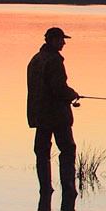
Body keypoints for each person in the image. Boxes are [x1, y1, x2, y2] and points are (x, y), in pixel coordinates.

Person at [27, 26, 80, 193]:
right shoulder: (54, 61)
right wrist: (72, 94)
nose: (64, 43)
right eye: (61, 39)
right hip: (57, 116)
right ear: (52, 40)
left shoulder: (36, 59)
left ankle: (45, 189)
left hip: (40, 115)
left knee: (42, 152)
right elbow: (58, 88)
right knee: (67, 149)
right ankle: (69, 189)